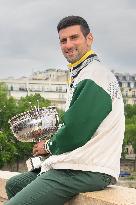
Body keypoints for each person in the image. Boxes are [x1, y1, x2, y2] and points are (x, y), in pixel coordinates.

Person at [5, 16, 125, 205]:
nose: (68, 44)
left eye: (74, 37)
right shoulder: (82, 73)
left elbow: (75, 131)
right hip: (76, 165)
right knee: (14, 184)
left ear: (89, 39)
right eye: (63, 40)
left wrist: (47, 146)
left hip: (85, 169)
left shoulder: (95, 75)